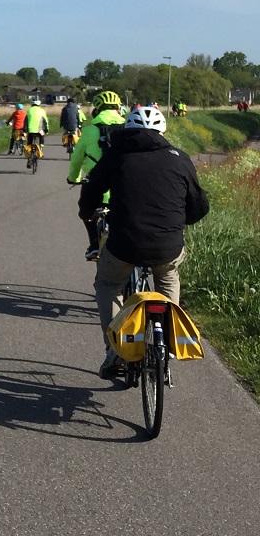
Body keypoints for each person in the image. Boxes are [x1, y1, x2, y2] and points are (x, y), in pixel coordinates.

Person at [78, 105, 209, 379]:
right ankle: (168, 343)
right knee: (168, 277)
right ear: (162, 131)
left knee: (108, 284)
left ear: (128, 129)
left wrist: (87, 213)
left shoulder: (116, 156)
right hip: (167, 245)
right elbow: (198, 204)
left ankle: (115, 350)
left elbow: (91, 191)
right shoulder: (179, 158)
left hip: (124, 245)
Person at [66, 90, 125, 260]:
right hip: (124, 187)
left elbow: (76, 159)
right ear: (118, 108)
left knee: (86, 211)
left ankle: (93, 245)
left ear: (96, 110)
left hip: (98, 188)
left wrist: (74, 178)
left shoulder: (90, 130)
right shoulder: (129, 127)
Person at [23, 99, 49, 168]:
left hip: (30, 130)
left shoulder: (29, 111)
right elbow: (45, 121)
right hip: (39, 130)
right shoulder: (42, 111)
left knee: (29, 144)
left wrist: (25, 129)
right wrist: (46, 129)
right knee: (42, 138)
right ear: (39, 104)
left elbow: (25, 121)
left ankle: (29, 160)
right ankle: (41, 149)